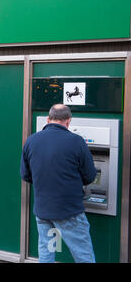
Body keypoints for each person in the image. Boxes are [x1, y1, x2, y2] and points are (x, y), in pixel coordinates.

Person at [20, 104, 97, 263]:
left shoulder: (31, 141)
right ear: (68, 121)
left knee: (46, 253)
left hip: (43, 211)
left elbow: (26, 175)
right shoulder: (76, 142)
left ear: (48, 119)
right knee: (83, 255)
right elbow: (89, 176)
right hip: (69, 211)